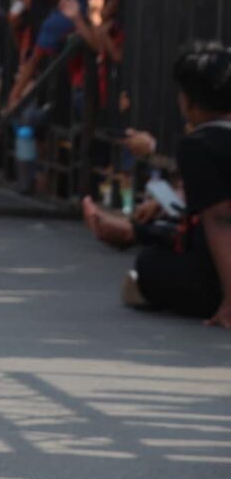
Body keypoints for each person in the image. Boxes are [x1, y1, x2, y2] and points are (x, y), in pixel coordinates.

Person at [81, 42, 231, 324]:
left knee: (150, 265)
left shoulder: (202, 143)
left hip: (214, 277)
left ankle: (132, 241)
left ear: (190, 101)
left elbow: (220, 219)